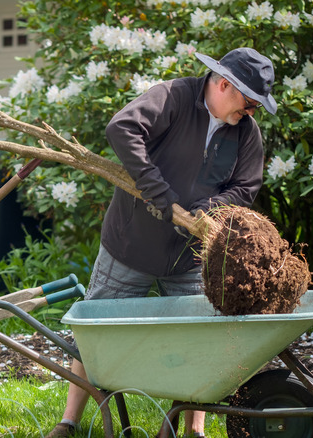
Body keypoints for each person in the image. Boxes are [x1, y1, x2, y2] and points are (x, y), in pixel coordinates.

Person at [45, 47, 277, 438]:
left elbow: (246, 187)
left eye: (256, 106)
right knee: (95, 331)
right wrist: (160, 195)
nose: (251, 112)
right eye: (250, 102)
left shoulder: (246, 134)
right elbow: (122, 128)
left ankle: (191, 430)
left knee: (200, 337)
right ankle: (68, 422)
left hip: (191, 256)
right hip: (130, 244)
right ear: (224, 85)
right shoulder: (173, 96)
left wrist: (209, 209)